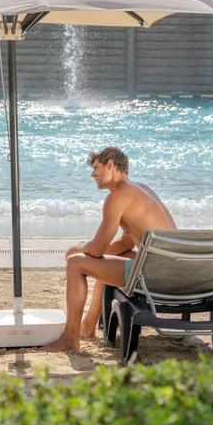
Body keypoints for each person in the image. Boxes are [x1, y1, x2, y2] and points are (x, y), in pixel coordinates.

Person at [43, 147, 176, 352]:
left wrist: (79, 249)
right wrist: (95, 255)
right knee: (116, 255)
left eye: (96, 167)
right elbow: (126, 244)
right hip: (177, 271)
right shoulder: (139, 189)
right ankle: (87, 327)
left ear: (111, 165)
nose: (92, 173)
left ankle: (70, 339)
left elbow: (97, 248)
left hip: (156, 277)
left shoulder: (118, 196)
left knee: (75, 264)